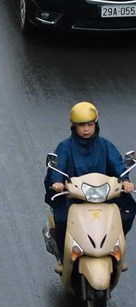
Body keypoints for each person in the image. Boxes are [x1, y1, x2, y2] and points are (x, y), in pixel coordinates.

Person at [44, 102, 135, 273]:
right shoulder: (65, 147)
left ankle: (117, 249)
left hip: (104, 195)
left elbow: (117, 164)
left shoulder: (105, 145)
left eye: (90, 124)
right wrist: (57, 182)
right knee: (62, 219)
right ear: (74, 126)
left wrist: (125, 180)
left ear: (96, 124)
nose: (86, 129)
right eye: (81, 125)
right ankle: (62, 257)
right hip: (74, 196)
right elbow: (58, 165)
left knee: (128, 210)